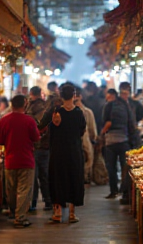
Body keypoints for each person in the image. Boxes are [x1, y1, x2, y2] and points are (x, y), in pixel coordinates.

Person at [0, 95, 40, 228]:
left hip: (10, 161)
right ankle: (20, 218)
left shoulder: (4, 120)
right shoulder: (29, 121)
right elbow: (36, 137)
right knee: (24, 190)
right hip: (26, 161)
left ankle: (13, 212)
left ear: (12, 104)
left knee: (11, 190)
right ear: (25, 104)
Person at [49, 84, 86, 223]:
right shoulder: (78, 112)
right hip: (74, 150)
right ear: (74, 95)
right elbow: (82, 130)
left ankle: (57, 212)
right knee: (74, 178)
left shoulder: (56, 112)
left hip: (58, 151)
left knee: (58, 178)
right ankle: (72, 213)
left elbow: (50, 131)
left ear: (61, 96)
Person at [101, 89, 134, 199]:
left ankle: (113, 191)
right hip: (124, 140)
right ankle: (124, 192)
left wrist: (101, 133)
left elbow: (108, 123)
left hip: (111, 142)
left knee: (111, 168)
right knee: (124, 167)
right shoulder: (125, 106)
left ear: (110, 95)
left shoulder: (108, 106)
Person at [25, 86, 52, 211]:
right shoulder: (45, 107)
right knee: (43, 176)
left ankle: (35, 202)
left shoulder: (33, 107)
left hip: (36, 146)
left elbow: (38, 126)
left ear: (31, 93)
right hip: (43, 146)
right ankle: (47, 201)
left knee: (35, 176)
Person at [74, 87, 97, 184]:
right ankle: (84, 177)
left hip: (74, 141)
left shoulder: (64, 112)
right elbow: (92, 129)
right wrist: (93, 139)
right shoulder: (87, 112)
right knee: (87, 160)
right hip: (85, 140)